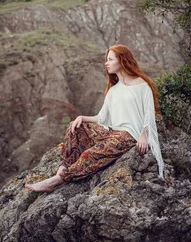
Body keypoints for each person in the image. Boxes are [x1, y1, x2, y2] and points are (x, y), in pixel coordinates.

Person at [25, 45, 164, 193]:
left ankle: (57, 180)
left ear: (122, 60)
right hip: (112, 132)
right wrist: (81, 118)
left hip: (129, 136)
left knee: (89, 154)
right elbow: (102, 117)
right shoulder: (113, 90)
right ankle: (63, 168)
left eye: (110, 59)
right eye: (106, 60)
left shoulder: (142, 84)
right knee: (75, 127)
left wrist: (144, 135)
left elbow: (150, 114)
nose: (106, 63)